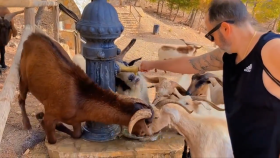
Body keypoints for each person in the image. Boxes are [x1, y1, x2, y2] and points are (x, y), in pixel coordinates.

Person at [139, 0, 280, 157]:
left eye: (210, 36)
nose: (213, 43)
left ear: (226, 28)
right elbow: (192, 64)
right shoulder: (229, 55)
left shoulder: (273, 49)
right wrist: (152, 64)